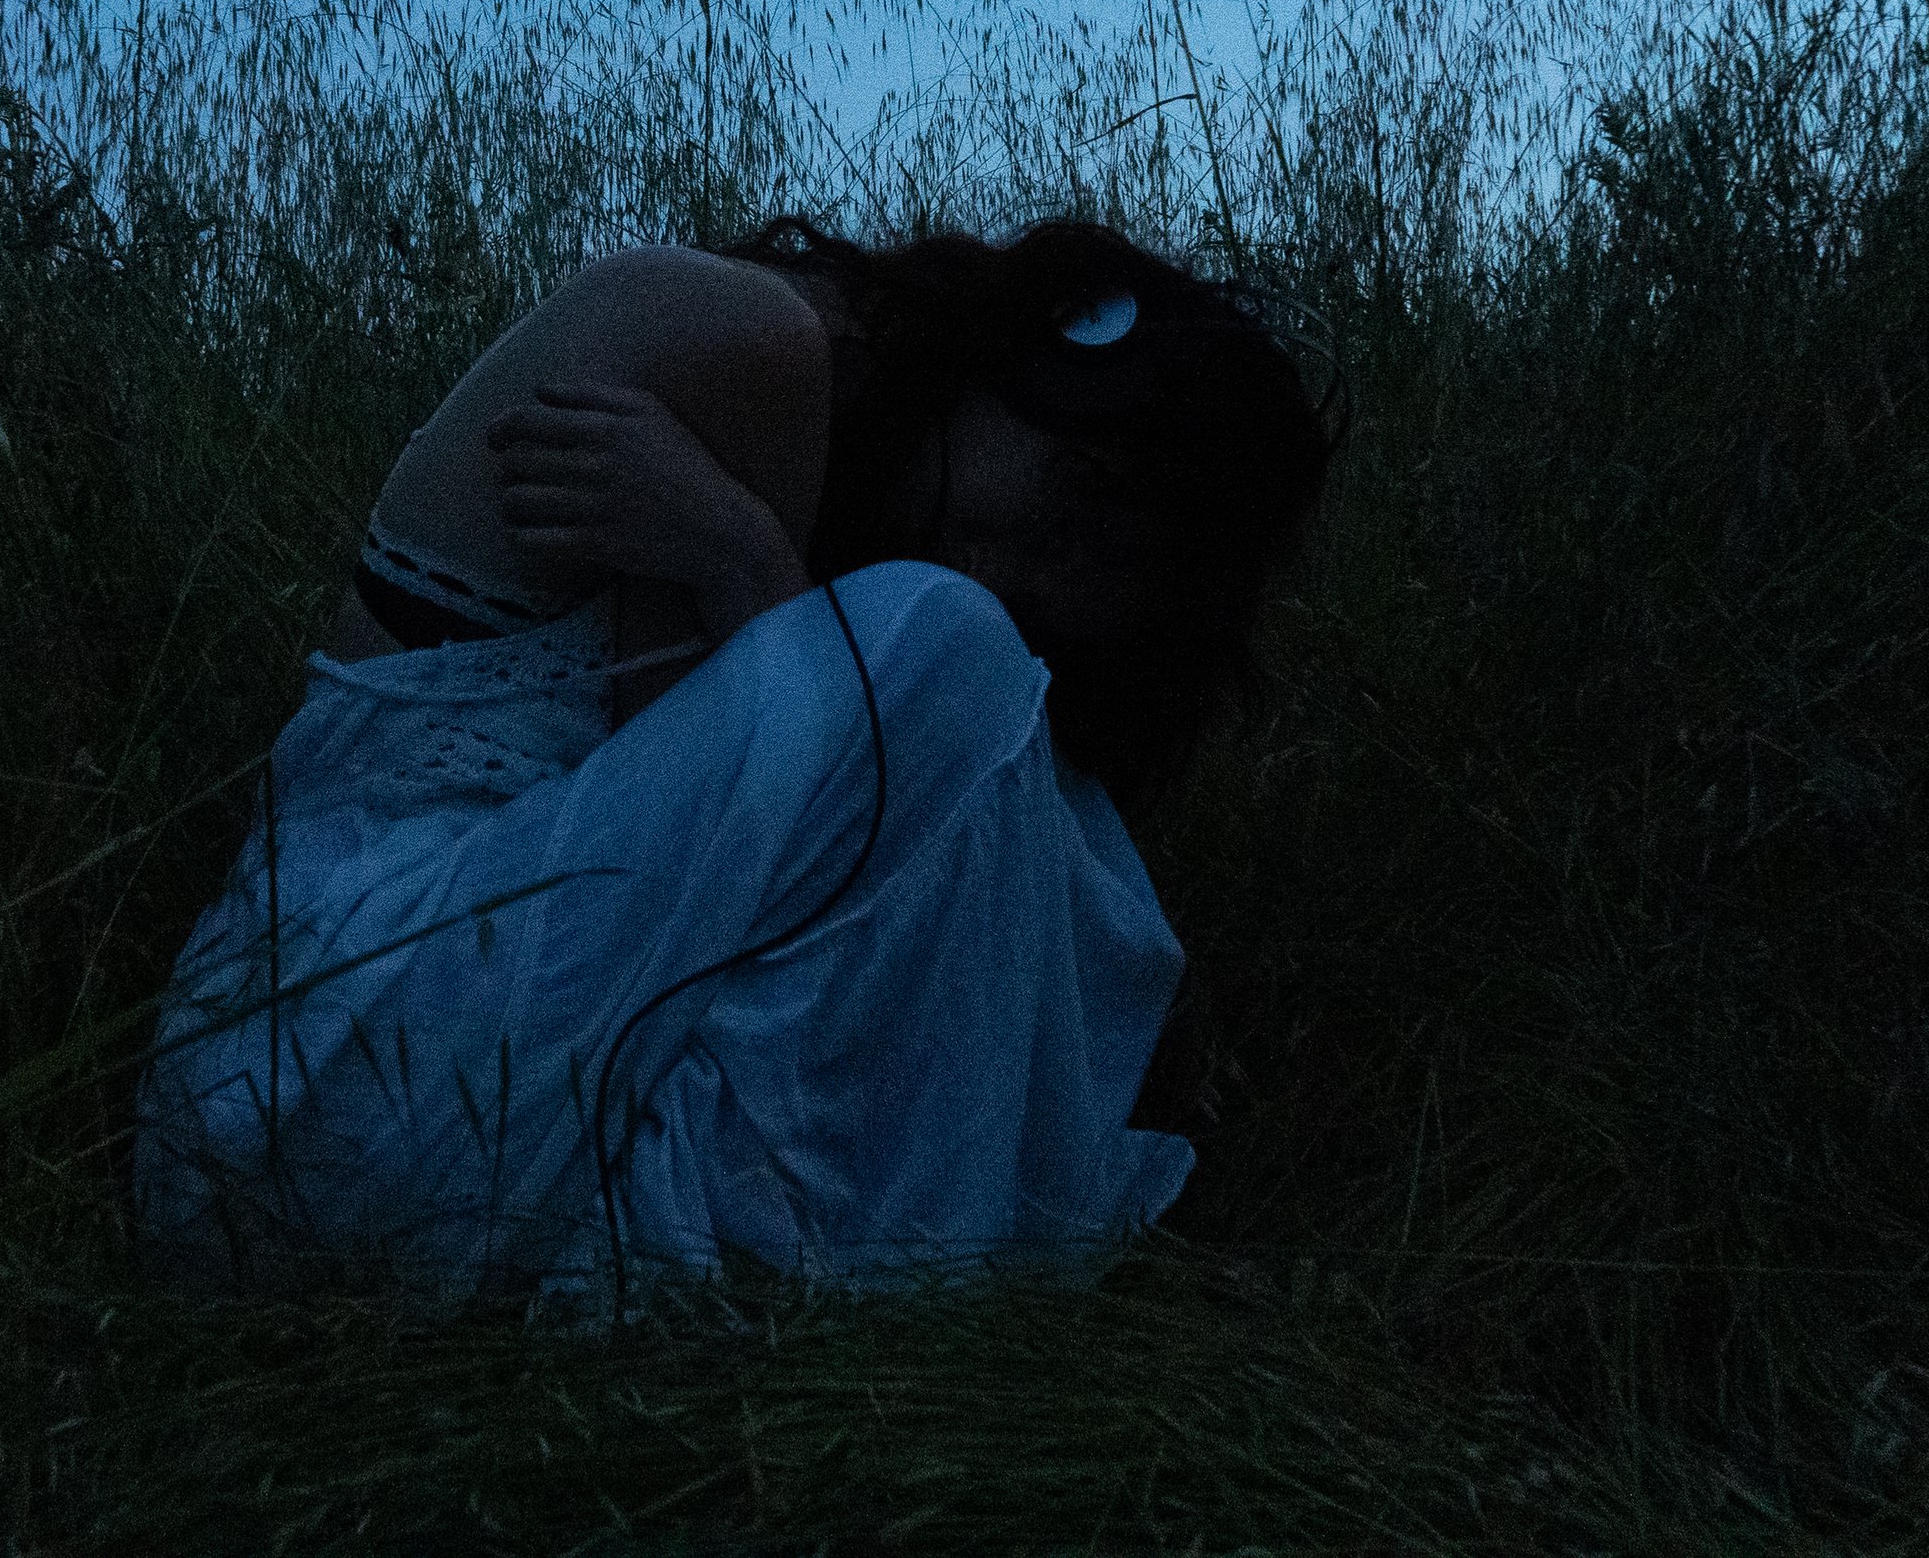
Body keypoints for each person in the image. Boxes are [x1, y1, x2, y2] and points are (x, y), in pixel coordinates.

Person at [129, 215, 1342, 1322]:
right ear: (1042, 361)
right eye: (1069, 502)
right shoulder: (745, 341)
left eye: (1075, 577)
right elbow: (719, 923)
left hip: (434, 1091)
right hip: (319, 1077)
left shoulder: (842, 481)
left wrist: (744, 560)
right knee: (951, 652)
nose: (1011, 559)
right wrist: (747, 564)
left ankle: (886, 1273)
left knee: (1045, 786)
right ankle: (907, 1284)